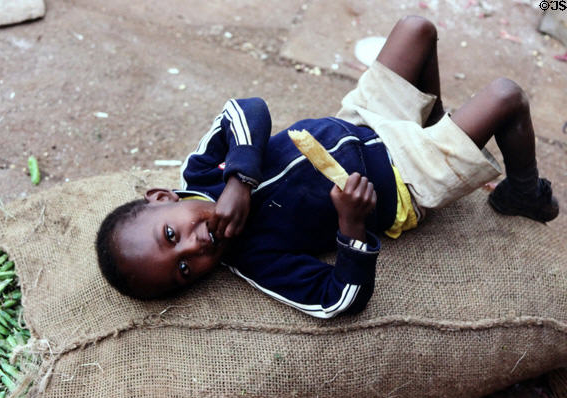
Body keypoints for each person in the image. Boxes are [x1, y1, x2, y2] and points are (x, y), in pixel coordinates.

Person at [95, 16, 559, 319]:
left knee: (417, 30)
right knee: (506, 96)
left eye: (172, 236)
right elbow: (339, 300)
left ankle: (436, 121)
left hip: (358, 120)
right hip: (403, 179)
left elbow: (247, 109)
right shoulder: (257, 259)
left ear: (161, 198)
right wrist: (352, 227)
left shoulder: (200, 173)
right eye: (185, 270)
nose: (197, 248)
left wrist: (239, 178)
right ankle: (521, 190)